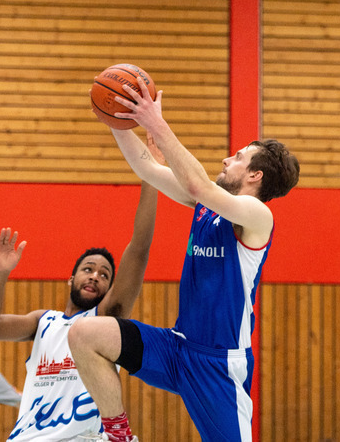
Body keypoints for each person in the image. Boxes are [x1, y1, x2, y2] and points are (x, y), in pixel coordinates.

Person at [66, 79, 300, 442]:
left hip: (219, 366)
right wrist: (118, 118)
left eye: (238, 157)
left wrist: (154, 120)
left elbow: (198, 186)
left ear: (256, 175)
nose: (227, 158)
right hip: (178, 348)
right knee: (84, 333)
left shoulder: (257, 216)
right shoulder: (208, 207)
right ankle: (118, 435)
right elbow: (148, 169)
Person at [0, 145, 160, 442]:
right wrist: (0, 272)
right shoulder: (43, 322)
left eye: (104, 275)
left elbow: (138, 250)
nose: (95, 277)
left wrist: (149, 175)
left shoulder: (104, 319)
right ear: (71, 278)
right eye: (89, 269)